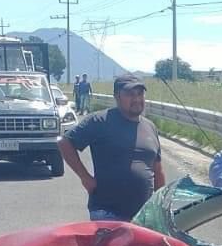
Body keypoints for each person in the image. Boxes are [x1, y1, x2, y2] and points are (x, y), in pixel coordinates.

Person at [58, 73, 164, 222]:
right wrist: (85, 177)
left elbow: (158, 171)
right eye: (130, 94)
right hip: (107, 214)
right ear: (116, 96)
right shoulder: (100, 121)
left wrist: (159, 206)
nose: (136, 99)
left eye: (140, 94)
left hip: (143, 216)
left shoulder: (150, 127)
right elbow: (65, 143)